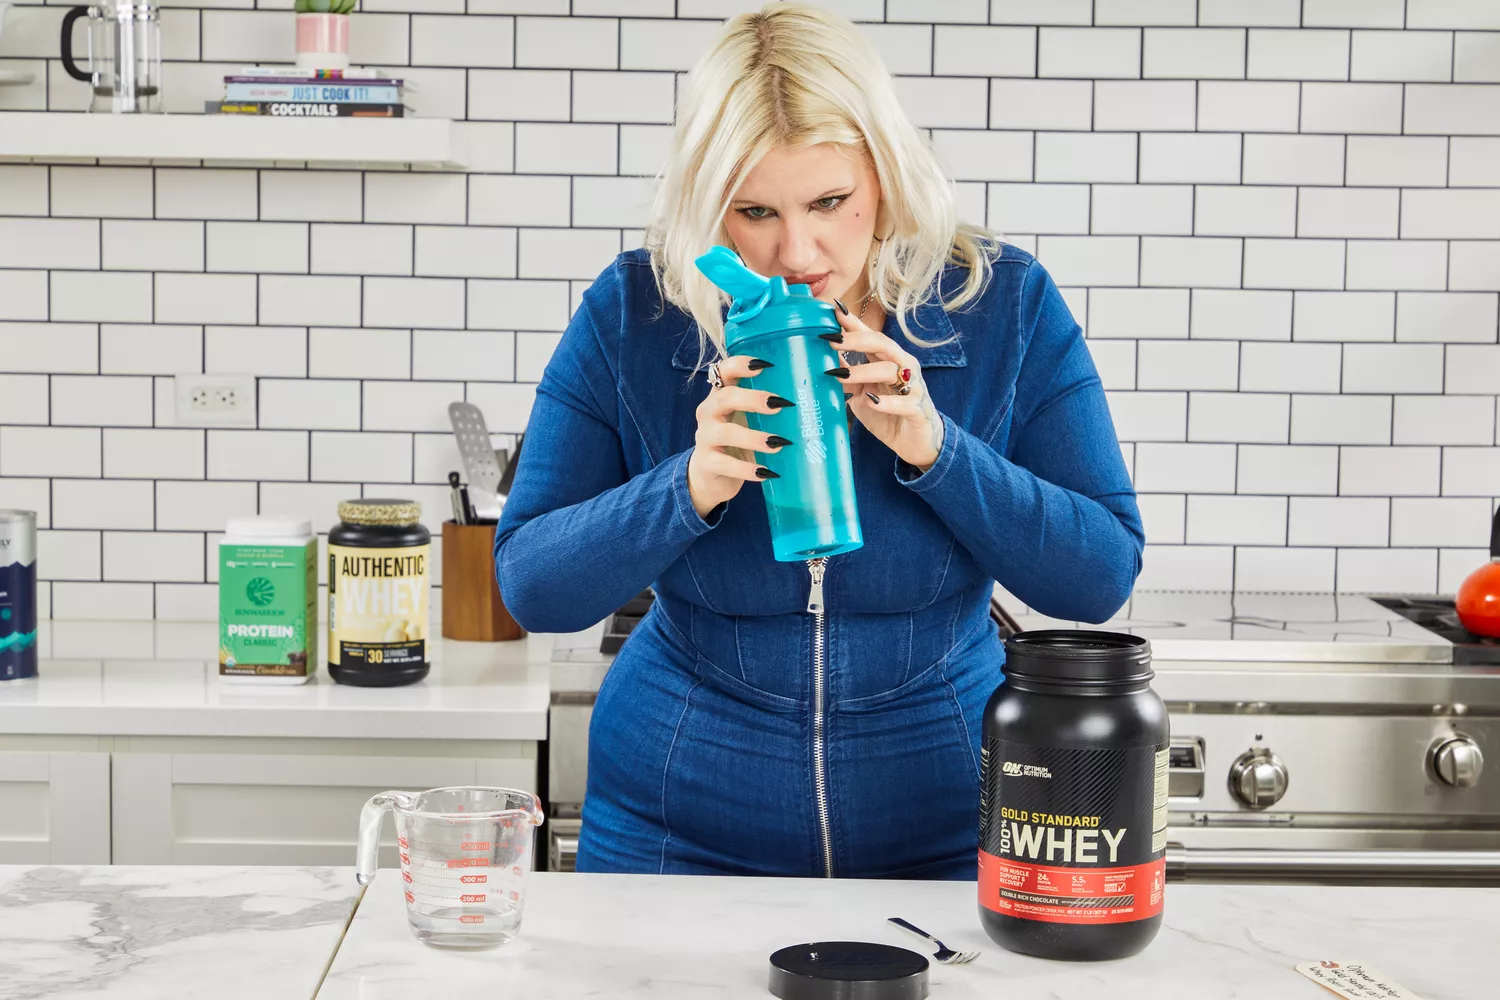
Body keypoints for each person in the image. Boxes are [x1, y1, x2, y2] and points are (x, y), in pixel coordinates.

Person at [493, 2, 1143, 879]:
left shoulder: (999, 305)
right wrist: (684, 487)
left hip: (947, 832)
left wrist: (937, 450)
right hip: (672, 833)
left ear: (886, 174)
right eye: (754, 211)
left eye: (830, 201)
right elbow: (533, 587)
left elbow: (1099, 577)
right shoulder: (637, 314)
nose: (797, 253)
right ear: (708, 205)